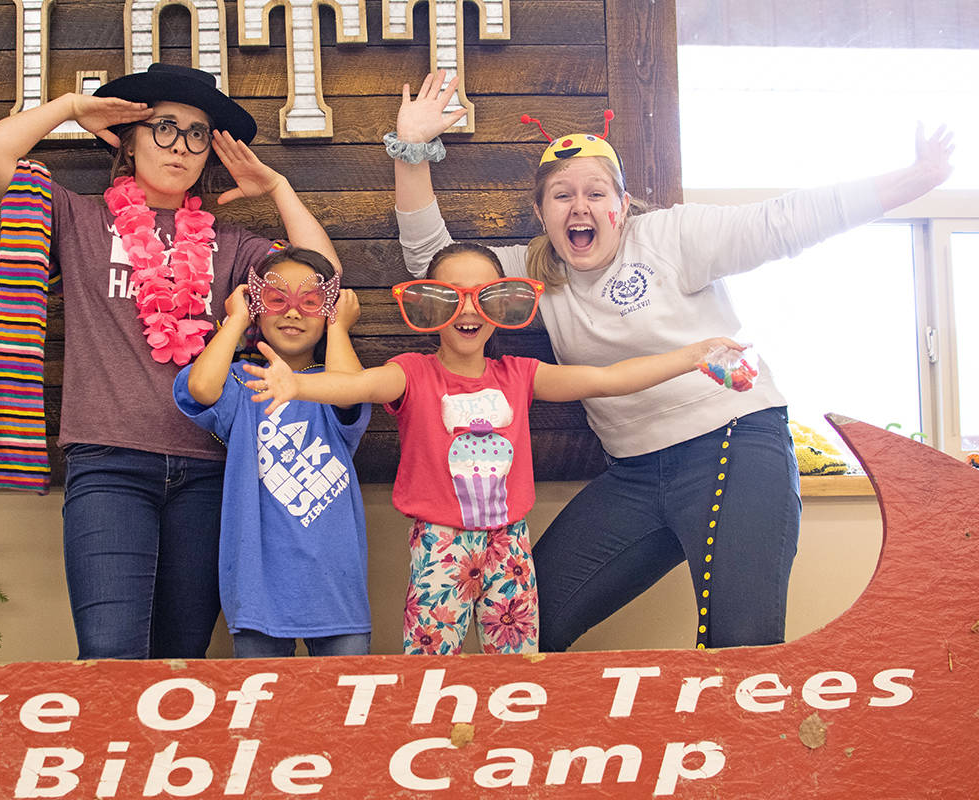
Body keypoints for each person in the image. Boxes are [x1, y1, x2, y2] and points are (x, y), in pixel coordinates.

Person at [387, 70, 956, 651]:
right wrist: (412, 150)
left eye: (596, 193)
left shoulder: (671, 237)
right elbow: (433, 268)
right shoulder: (535, 274)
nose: (579, 206)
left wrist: (914, 181)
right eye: (562, 195)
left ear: (622, 205)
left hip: (734, 444)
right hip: (634, 472)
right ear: (543, 213)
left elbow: (783, 222)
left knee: (742, 645)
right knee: (528, 624)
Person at [0, 63, 340, 660]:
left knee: (181, 660)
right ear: (131, 139)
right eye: (164, 127)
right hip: (109, 465)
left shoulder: (234, 243)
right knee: (110, 655)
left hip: (209, 474)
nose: (181, 146)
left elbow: (325, 284)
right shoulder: (77, 218)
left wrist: (277, 189)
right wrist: (69, 107)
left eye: (198, 134)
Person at [243, 242, 745, 655]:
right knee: (430, 661)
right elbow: (357, 387)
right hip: (439, 542)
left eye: (484, 296)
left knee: (516, 661)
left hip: (511, 542)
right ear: (428, 307)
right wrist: (299, 386)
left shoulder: (519, 376)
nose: (466, 310)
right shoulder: (413, 373)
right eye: (449, 297)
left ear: (503, 306)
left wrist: (694, 355)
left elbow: (607, 378)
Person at [173, 247, 371, 658]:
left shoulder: (334, 386)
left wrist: (339, 329)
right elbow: (201, 388)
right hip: (257, 584)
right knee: (262, 715)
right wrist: (236, 321)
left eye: (313, 302)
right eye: (277, 300)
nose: (294, 313)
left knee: (342, 712)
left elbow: (350, 388)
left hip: (335, 585)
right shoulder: (244, 384)